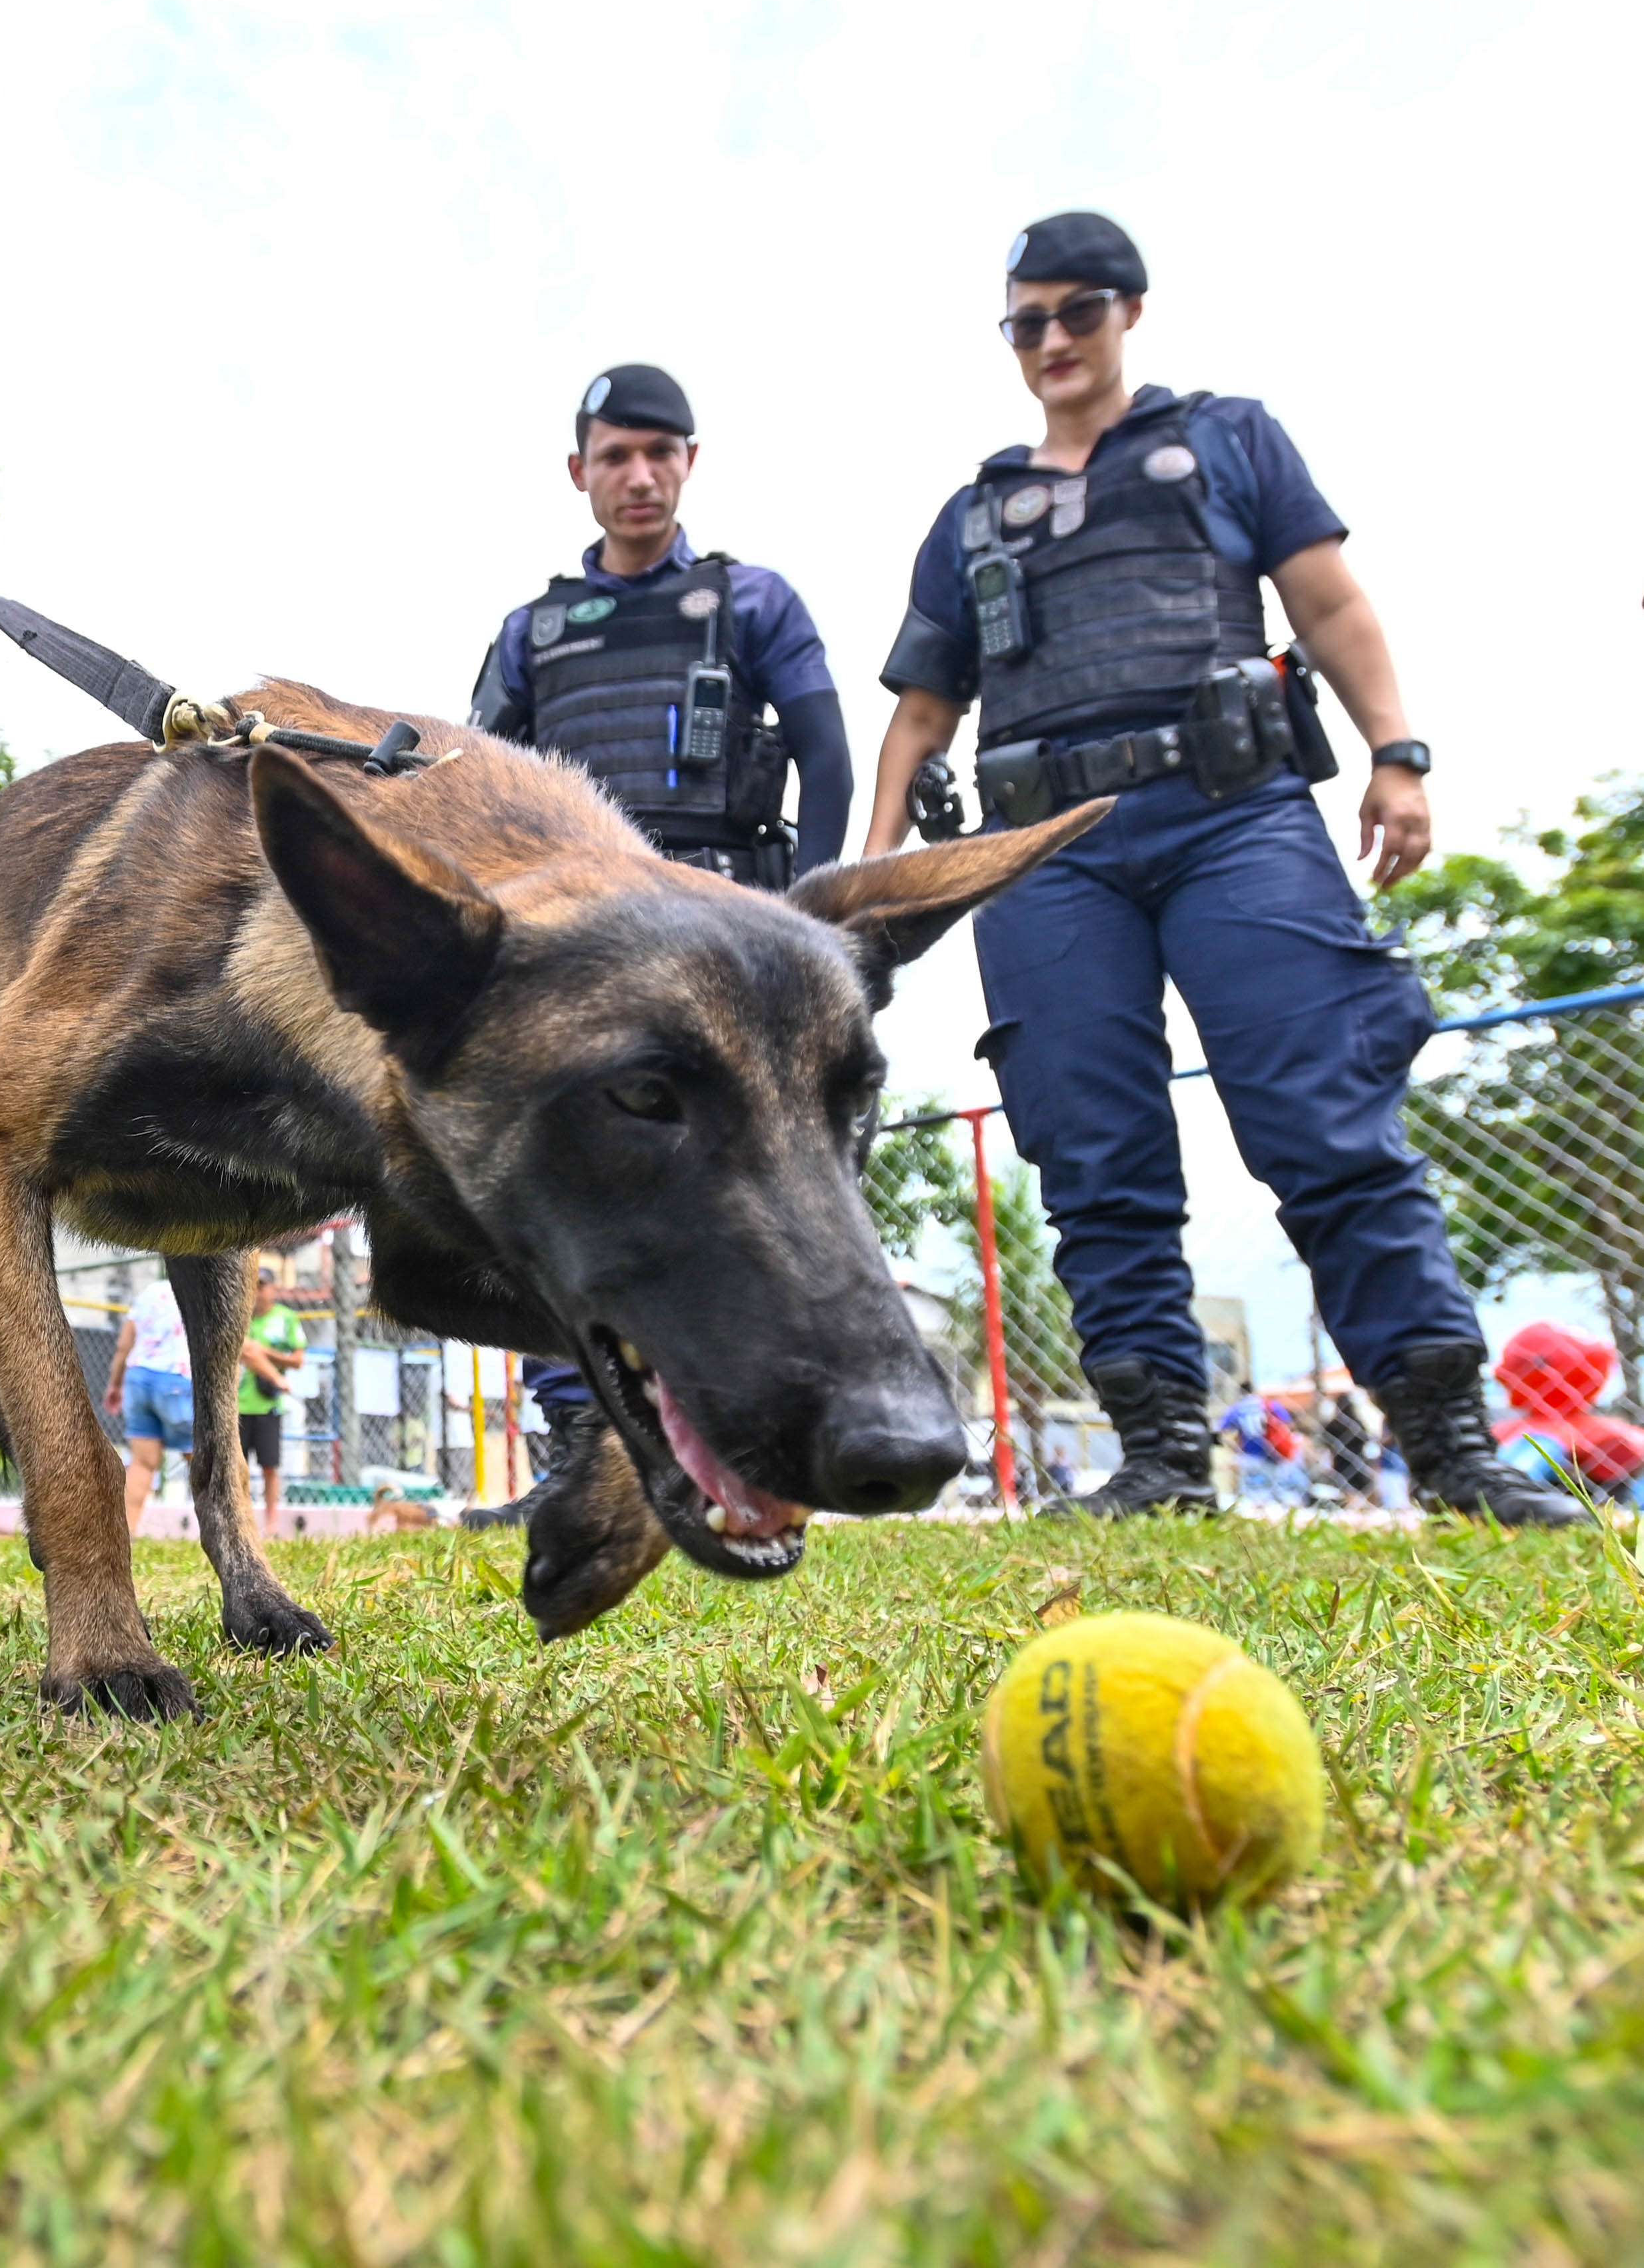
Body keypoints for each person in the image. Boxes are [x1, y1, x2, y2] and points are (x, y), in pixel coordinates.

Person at [860, 211, 1573, 1526]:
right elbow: (917, 712)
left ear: (1130, 310)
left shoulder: (1229, 440)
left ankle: (1451, 1450)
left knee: (1325, 1117)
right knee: (1090, 1153)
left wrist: (1395, 754)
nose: (1053, 340)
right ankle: (1161, 1460)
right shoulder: (968, 517)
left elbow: (1329, 602)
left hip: (1230, 813)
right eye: (1026, 322)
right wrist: (867, 893)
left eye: (1077, 312)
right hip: (1042, 855)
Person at [471, 365, 853, 1455]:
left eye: (660, 453)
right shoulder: (532, 631)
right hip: (579, 953)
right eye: (615, 456)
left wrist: (817, 927)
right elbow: (478, 781)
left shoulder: (752, 602)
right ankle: (586, 1452)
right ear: (578, 471)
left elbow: (826, 758)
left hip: (724, 939)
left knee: (753, 1202)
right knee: (556, 1188)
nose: (638, 476)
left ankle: (768, 1437)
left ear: (691, 461)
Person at [103, 1271, 195, 1531]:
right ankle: (223, 1530)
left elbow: (124, 1344)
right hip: (175, 1378)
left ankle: (125, 1533)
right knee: (200, 1457)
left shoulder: (149, 1293)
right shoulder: (194, 1290)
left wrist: (115, 1384)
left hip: (138, 1380)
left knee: (142, 1464)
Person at [235, 1259, 307, 1541]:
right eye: (253, 1286)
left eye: (262, 1286)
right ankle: (243, 1520)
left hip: (269, 1404)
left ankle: (272, 1523)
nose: (257, 1292)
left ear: (272, 1289)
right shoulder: (240, 1317)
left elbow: (298, 1360)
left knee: (269, 1466)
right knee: (239, 1467)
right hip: (239, 1404)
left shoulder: (286, 1318)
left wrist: (262, 1354)